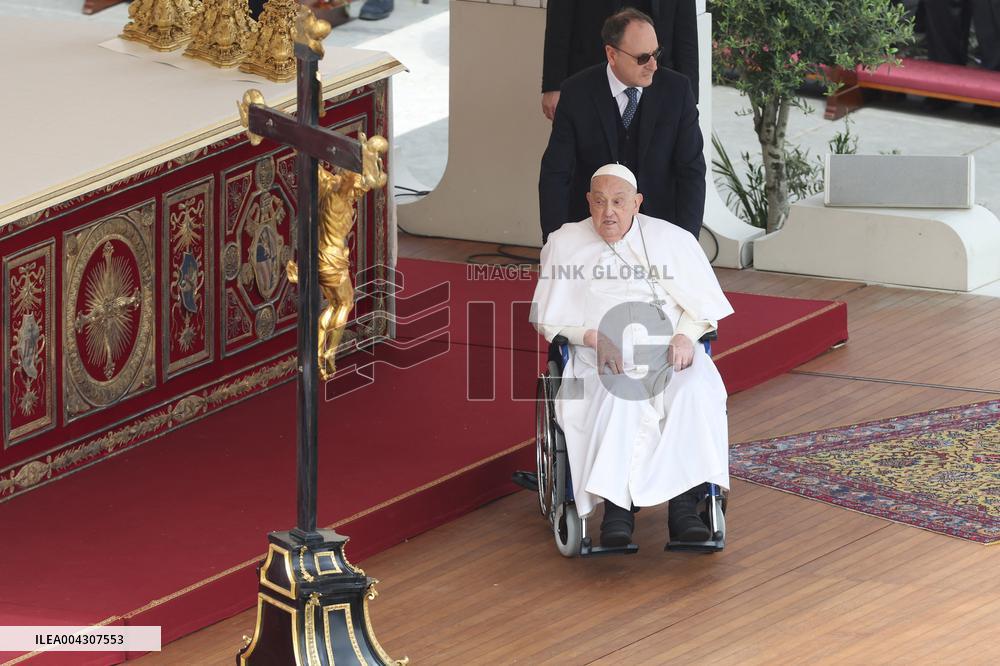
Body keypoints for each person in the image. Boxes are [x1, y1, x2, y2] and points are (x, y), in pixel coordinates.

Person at [531, 163, 733, 548]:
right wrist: (591, 336)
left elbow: (702, 309)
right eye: (601, 201)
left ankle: (685, 507)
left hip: (671, 351)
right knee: (618, 397)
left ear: (637, 203)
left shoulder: (672, 239)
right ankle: (617, 509)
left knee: (694, 393)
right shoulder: (565, 243)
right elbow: (549, 318)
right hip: (599, 355)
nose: (609, 211)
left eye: (619, 202)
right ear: (588, 202)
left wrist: (686, 337)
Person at [538, 8, 706, 244]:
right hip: (590, 229)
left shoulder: (677, 91)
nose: (653, 66)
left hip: (659, 229)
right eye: (642, 58)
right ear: (612, 54)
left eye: (656, 54)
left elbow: (692, 172)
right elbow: (556, 173)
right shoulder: (576, 93)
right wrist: (555, 241)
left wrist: (688, 241)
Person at [541, 0, 699, 120]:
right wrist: (553, 84)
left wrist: (690, 99)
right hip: (592, 70)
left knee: (655, 159)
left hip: (658, 73)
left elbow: (686, 29)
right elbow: (559, 17)